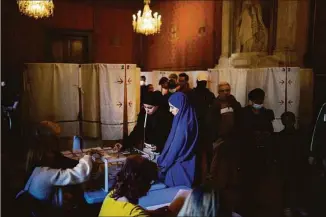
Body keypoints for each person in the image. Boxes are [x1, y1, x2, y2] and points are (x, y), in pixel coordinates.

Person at [99, 155, 186, 217]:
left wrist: (162, 211)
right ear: (141, 183)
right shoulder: (135, 213)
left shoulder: (111, 196)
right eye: (150, 182)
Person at [157, 92, 199, 187]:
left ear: (181, 106)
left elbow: (175, 148)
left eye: (172, 107)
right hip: (187, 163)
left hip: (177, 167)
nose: (170, 110)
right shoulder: (189, 118)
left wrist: (163, 165)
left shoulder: (182, 125)